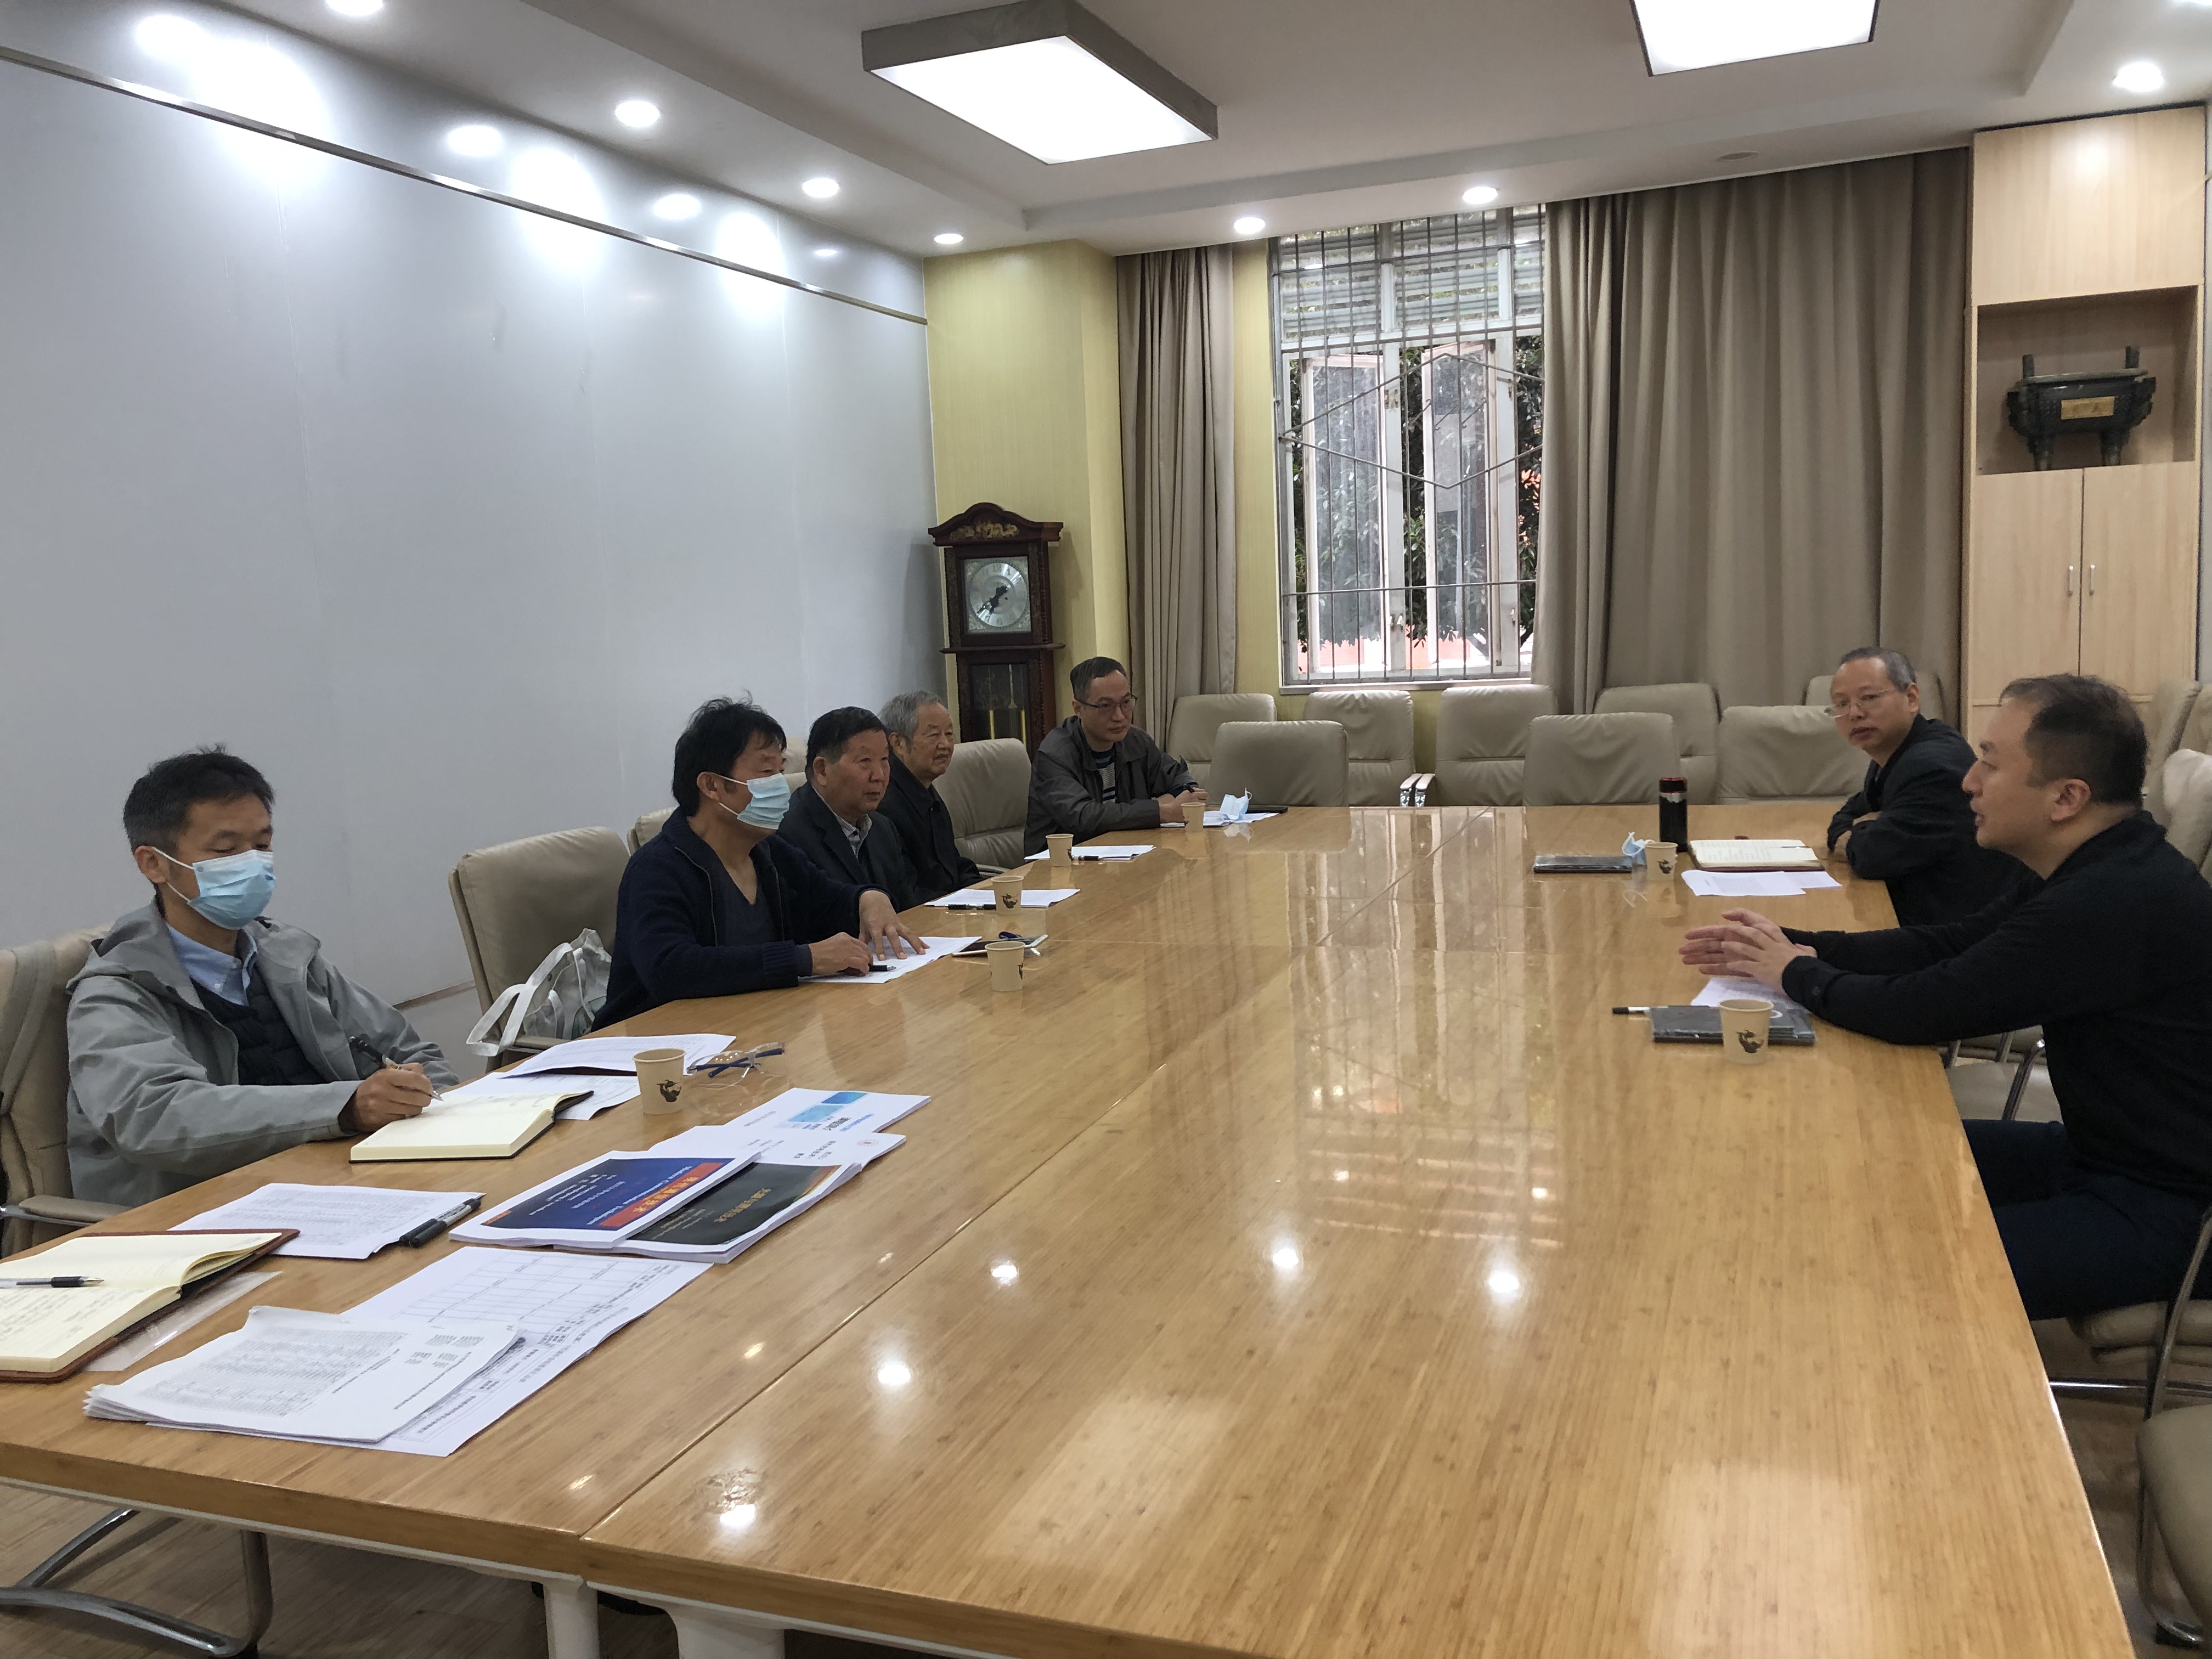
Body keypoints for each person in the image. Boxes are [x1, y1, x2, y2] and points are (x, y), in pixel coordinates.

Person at [1680, 675, 2212, 1321]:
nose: (1969, 781)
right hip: (2099, 1156)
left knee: (1885, 1270)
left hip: (2171, 1207)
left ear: (2066, 797)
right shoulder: (2096, 863)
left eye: (1990, 763)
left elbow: (1925, 1008)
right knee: (1858, 1158)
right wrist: (1799, 945)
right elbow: (1950, 944)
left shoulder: (2110, 901)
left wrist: (1796, 974)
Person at [67, 749, 455, 1209]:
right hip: (212, 1214)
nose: (251, 863)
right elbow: (154, 1116)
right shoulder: (114, 993)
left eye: (262, 845)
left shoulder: (287, 955)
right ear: (154, 864)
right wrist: (345, 1107)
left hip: (346, 1183)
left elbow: (410, 1053)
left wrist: (442, 1110)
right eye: (225, 850)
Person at [600, 697, 925, 1025]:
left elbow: (827, 897)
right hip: (655, 1041)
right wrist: (804, 959)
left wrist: (868, 898)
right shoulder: (657, 868)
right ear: (712, 785)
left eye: (781, 772)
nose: (781, 787)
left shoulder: (767, 850)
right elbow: (671, 968)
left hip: (748, 1025)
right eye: (767, 773)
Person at [1822, 646, 2022, 926]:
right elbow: (1852, 810)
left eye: (1869, 698)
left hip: (1956, 927)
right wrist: (1858, 829)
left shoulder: (1933, 766)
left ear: (1912, 698)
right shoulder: (1896, 753)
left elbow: (1874, 857)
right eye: (1842, 704)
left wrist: (1853, 835)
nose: (1854, 713)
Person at [1025, 657, 1204, 854]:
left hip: (1124, 853)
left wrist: (1159, 809)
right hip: (1062, 862)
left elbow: (1183, 783)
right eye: (1105, 706)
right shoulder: (1054, 755)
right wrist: (1161, 811)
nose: (1119, 716)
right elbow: (1083, 817)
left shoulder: (1135, 741)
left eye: (1126, 703)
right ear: (1079, 709)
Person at [775, 707, 923, 911]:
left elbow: (906, 910)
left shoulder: (883, 828)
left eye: (884, 760)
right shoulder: (787, 835)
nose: (879, 776)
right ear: (822, 770)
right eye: (865, 761)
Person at [877, 690, 982, 902]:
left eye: (949, 734)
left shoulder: (926, 791)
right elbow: (908, 895)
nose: (946, 744)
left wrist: (986, 892)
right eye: (934, 735)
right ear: (898, 743)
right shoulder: (885, 805)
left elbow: (952, 866)